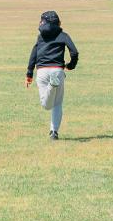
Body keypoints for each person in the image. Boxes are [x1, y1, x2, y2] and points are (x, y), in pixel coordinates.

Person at [25, 9, 79, 140]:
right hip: (58, 70)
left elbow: (34, 54)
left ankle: (53, 132)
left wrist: (29, 74)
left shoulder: (40, 37)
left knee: (46, 105)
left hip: (42, 72)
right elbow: (74, 52)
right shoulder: (63, 35)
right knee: (57, 103)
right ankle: (54, 131)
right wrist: (71, 65)